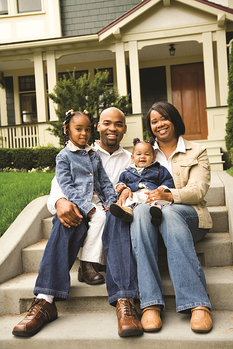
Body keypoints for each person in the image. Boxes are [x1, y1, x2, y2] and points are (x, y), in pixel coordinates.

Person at [12, 107, 143, 338]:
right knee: (65, 220)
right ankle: (45, 300)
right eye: (106, 123)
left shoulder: (132, 159)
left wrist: (125, 196)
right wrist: (60, 201)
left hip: (110, 214)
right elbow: (59, 184)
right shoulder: (77, 153)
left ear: (124, 129)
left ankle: (125, 300)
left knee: (118, 215)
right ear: (99, 127)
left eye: (118, 124)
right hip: (83, 210)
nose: (112, 128)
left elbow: (144, 184)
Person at [123, 101, 213, 334]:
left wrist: (169, 195)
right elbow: (129, 181)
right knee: (140, 212)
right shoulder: (144, 153)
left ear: (174, 119)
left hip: (189, 216)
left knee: (170, 212)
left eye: (164, 118)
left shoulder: (196, 151)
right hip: (150, 217)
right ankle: (150, 303)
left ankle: (197, 303)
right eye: (154, 121)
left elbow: (198, 191)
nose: (159, 124)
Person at [110, 137, 174, 226]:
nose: (142, 156)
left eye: (147, 154)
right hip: (135, 193)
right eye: (138, 154)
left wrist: (162, 188)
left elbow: (168, 180)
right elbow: (121, 181)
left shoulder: (159, 169)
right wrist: (121, 186)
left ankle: (156, 212)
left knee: (158, 200)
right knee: (129, 200)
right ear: (132, 157)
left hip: (152, 193)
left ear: (154, 158)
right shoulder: (127, 171)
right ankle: (127, 212)